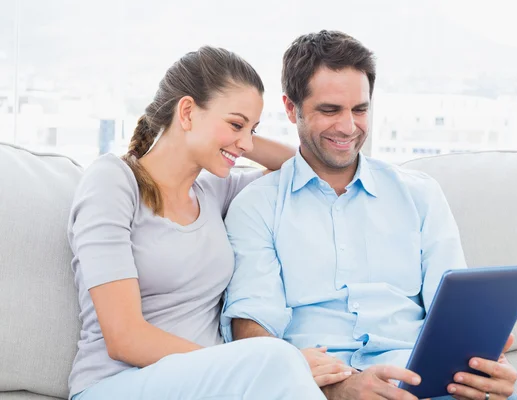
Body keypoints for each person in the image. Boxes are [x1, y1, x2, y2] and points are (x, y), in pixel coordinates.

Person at [222, 31, 517, 400]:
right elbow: (252, 328)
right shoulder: (257, 206)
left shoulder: (420, 194)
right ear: (290, 108)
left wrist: (486, 367)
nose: (348, 127)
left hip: (422, 385)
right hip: (315, 389)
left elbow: (456, 313)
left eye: (360, 110)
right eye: (330, 110)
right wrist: (339, 388)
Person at [67, 46, 326, 400]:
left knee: (278, 362)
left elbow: (300, 166)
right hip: (115, 385)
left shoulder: (214, 191)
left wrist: (237, 135)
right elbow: (124, 338)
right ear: (186, 111)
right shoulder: (113, 181)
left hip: (209, 384)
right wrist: (242, 366)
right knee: (280, 358)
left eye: (253, 130)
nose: (246, 143)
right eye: (236, 123)